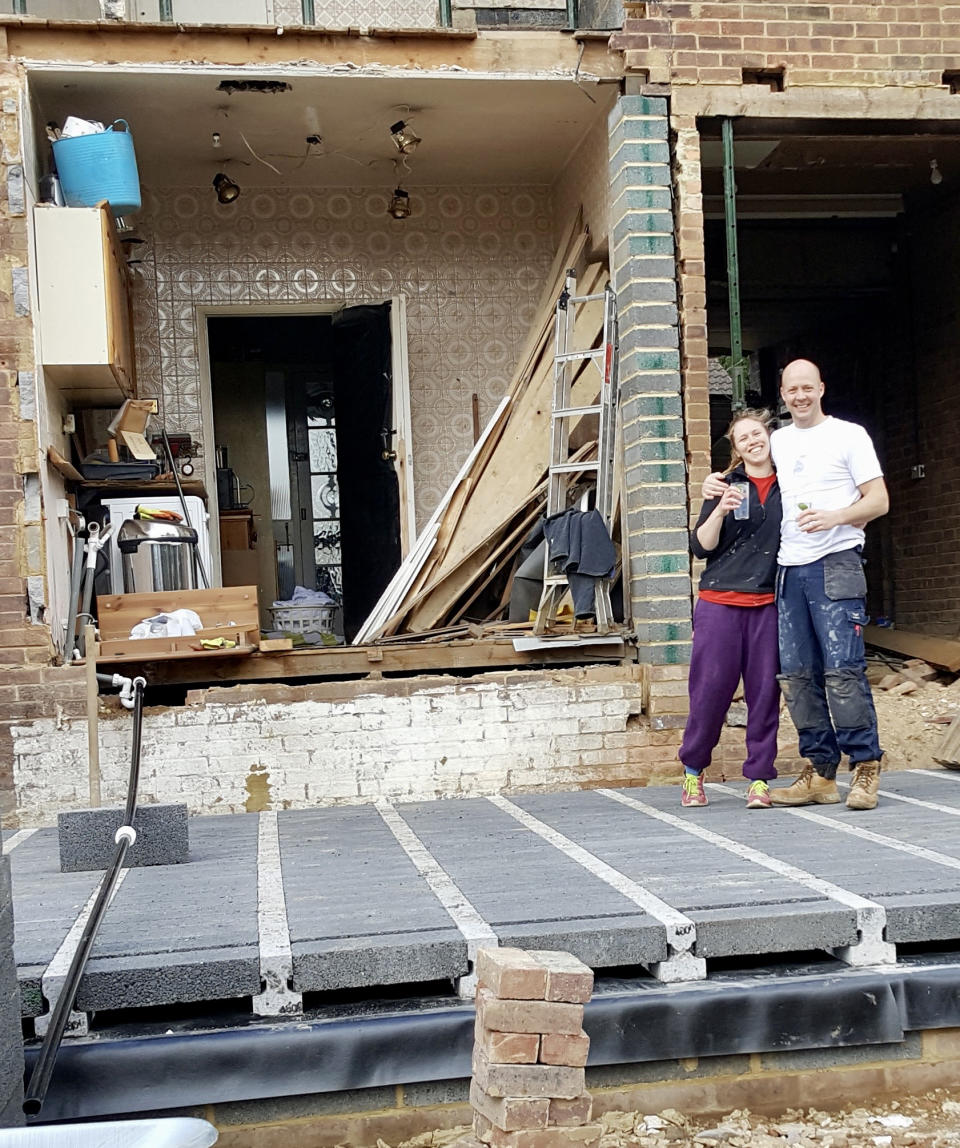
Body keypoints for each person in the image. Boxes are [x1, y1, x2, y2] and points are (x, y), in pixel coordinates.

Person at [703, 359, 889, 810]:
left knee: (843, 671)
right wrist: (715, 481)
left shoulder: (850, 435)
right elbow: (747, 466)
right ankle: (820, 773)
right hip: (789, 572)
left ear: (821, 388)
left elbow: (879, 500)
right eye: (792, 390)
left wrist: (837, 516)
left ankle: (865, 768)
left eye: (808, 387)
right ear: (783, 395)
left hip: (836, 562)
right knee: (798, 677)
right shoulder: (780, 441)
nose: (801, 396)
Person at [680, 410, 781, 811]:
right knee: (709, 694)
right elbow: (701, 547)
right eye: (743, 438)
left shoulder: (792, 482)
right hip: (719, 604)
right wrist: (719, 509)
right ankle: (692, 772)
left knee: (765, 694)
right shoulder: (723, 485)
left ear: (769, 435)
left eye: (758, 433)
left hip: (769, 604)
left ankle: (759, 779)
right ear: (736, 450)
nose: (753, 441)